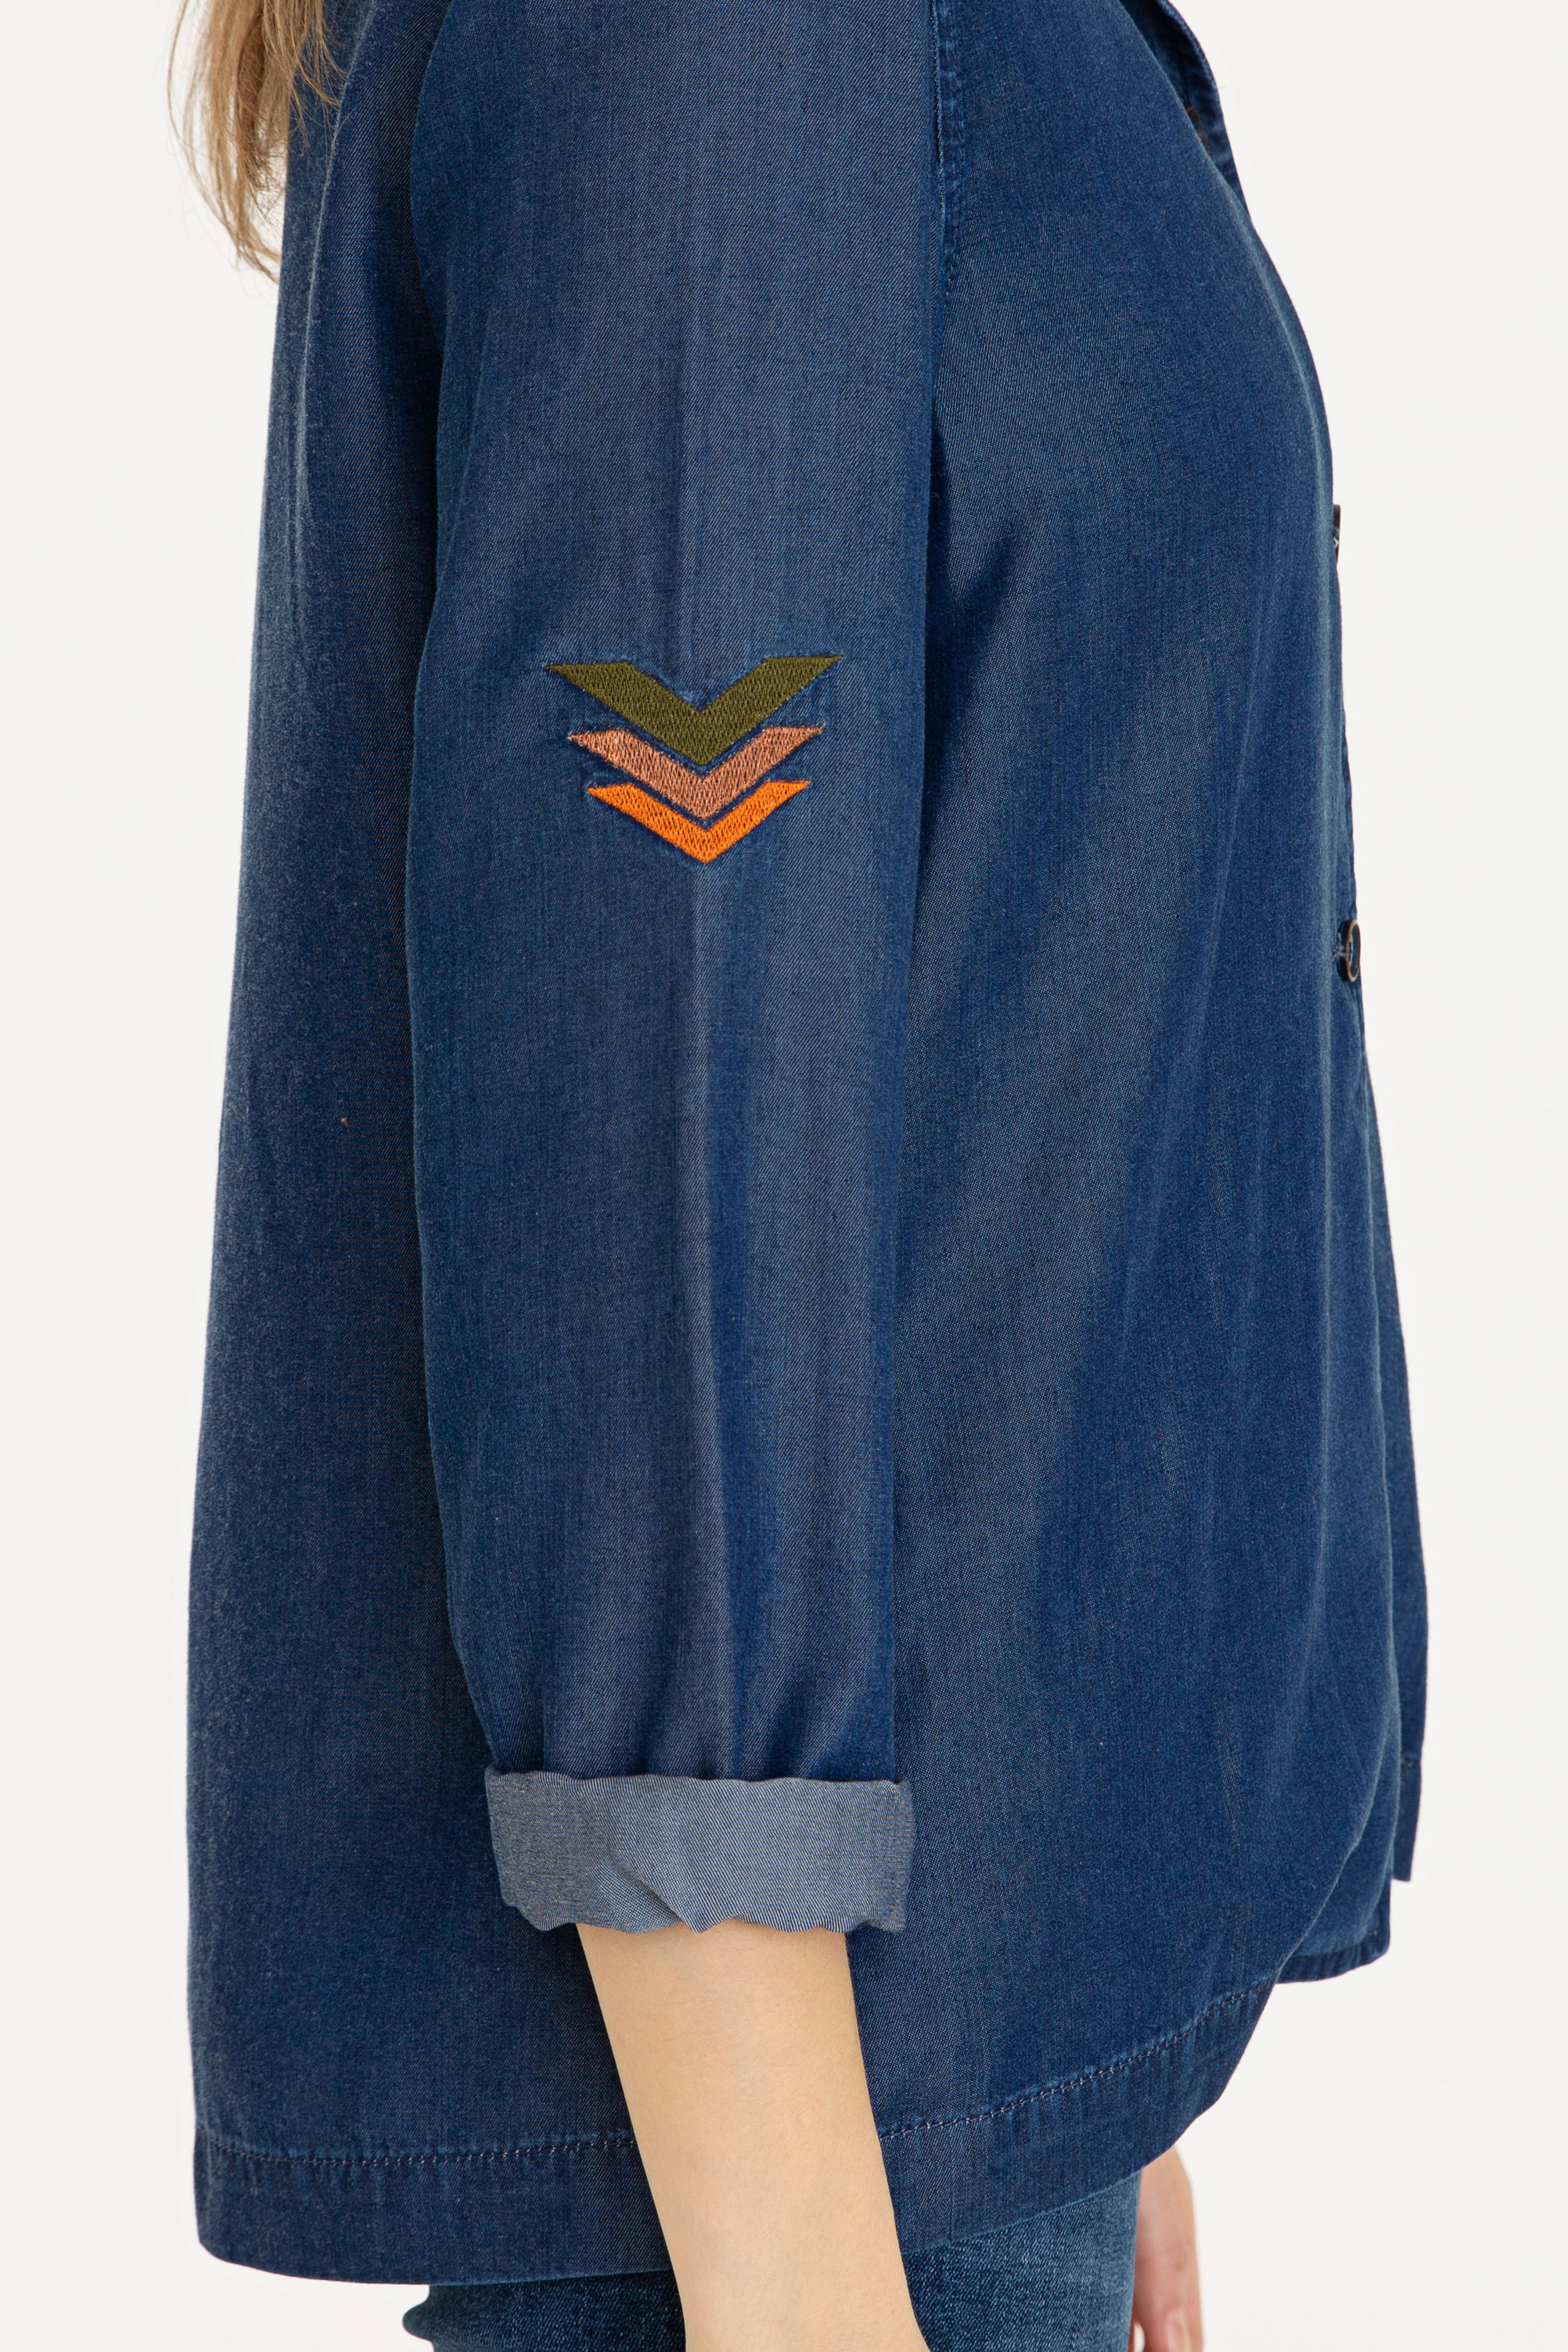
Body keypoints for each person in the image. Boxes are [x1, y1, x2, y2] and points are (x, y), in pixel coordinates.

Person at [178, 0, 1427, 2347]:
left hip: (925, 2078)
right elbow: (650, 1126)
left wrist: (1070, 2056)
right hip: (781, 2167)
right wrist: (821, 2273)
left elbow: (995, 933)